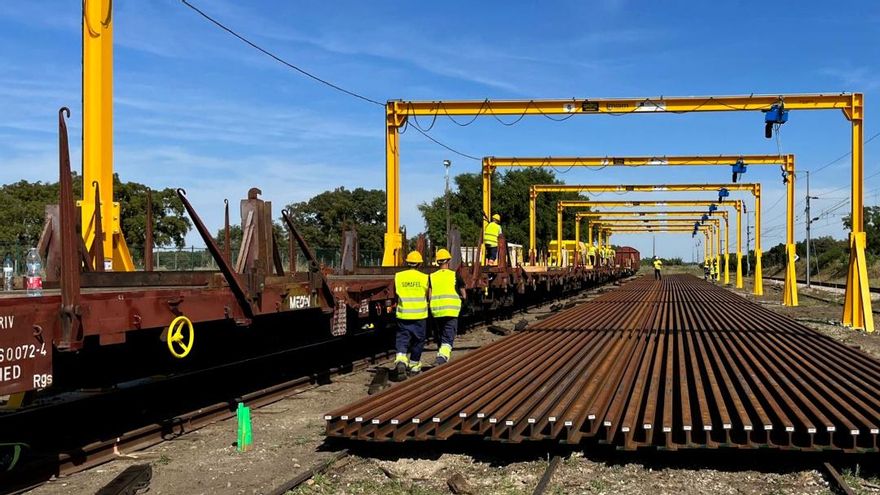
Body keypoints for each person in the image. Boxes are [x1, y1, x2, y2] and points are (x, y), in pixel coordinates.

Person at [393, 251, 430, 381]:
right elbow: (428, 295)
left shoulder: (398, 276)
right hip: (420, 316)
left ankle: (401, 361)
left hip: (403, 315)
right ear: (419, 264)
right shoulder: (424, 277)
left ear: (407, 262)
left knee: (402, 339)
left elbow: (396, 294)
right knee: (418, 342)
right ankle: (414, 367)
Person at [429, 248, 466, 365]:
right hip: (451, 311)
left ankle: (442, 353)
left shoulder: (432, 276)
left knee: (440, 335)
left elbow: (429, 296)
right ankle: (442, 358)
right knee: (448, 335)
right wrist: (460, 299)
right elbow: (464, 294)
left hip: (436, 311)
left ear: (437, 262)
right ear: (448, 261)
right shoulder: (455, 275)